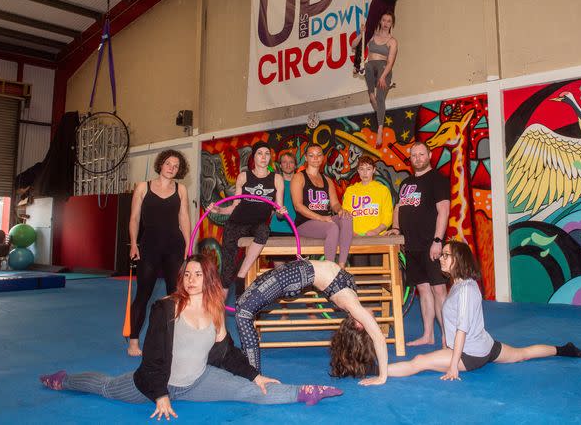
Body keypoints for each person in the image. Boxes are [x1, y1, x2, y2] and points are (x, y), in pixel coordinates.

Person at [39, 255, 343, 418]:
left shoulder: (214, 310)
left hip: (198, 381)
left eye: (198, 274)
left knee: (247, 390)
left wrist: (255, 377)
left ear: (208, 278)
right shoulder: (166, 308)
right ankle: (64, 379)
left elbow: (226, 353)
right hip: (154, 382)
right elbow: (154, 357)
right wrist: (159, 394)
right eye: (187, 274)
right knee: (106, 387)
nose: (192, 279)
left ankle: (304, 392)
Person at [385, 241, 581, 380]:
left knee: (419, 362)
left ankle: (375, 371)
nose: (441, 258)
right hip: (486, 345)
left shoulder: (464, 289)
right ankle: (564, 349)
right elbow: (455, 321)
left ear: (459, 259)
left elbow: (461, 329)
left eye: (446, 255)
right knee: (521, 354)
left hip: (469, 354)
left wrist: (454, 364)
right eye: (443, 254)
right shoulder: (460, 284)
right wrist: (446, 343)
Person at [236, 258, 388, 386]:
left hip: (292, 277)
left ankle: (253, 376)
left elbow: (379, 338)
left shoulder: (353, 306)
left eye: (372, 322)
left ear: (359, 325)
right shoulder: (353, 301)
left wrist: (382, 377)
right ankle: (249, 372)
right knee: (241, 306)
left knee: (243, 313)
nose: (373, 319)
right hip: (295, 272)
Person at [127, 150, 192, 357]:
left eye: (176, 166)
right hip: (150, 245)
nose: (171, 168)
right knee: (143, 295)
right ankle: (134, 342)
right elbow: (134, 218)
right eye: (168, 164)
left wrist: (189, 246)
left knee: (176, 295)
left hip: (175, 245)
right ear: (160, 165)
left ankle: (176, 340)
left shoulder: (181, 189)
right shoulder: (142, 187)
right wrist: (134, 244)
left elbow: (184, 219)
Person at [388, 141, 449, 347]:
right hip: (412, 246)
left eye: (421, 154)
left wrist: (438, 240)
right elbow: (398, 208)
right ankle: (428, 335)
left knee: (439, 290)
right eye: (414, 155)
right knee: (423, 289)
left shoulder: (437, 179)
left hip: (430, 244)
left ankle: (448, 337)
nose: (417, 158)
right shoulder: (406, 183)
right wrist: (396, 229)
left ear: (429, 155)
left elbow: (444, 211)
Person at [207, 141, 286, 299]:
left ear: (270, 157)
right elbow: (235, 206)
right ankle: (218, 314)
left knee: (264, 230)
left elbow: (278, 211)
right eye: (259, 153)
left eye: (267, 153)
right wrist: (220, 209)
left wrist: (281, 212)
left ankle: (241, 276)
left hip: (256, 225)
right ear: (254, 157)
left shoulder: (277, 179)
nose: (263, 157)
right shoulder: (244, 176)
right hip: (236, 223)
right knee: (227, 272)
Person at [291, 144, 353, 267]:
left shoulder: (327, 180)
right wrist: (321, 218)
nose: (316, 158)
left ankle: (341, 266)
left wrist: (340, 210)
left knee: (346, 217)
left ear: (323, 158)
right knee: (332, 228)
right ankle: (329, 269)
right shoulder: (299, 177)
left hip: (324, 221)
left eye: (319, 155)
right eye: (311, 155)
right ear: (306, 158)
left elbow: (335, 203)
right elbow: (298, 206)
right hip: (305, 223)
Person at [342, 155, 393, 267]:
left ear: (374, 170)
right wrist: (350, 231)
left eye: (368, 169)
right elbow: (345, 214)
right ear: (358, 171)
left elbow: (388, 215)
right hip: (357, 238)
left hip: (377, 238)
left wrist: (376, 230)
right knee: (360, 273)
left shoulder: (382, 190)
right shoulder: (351, 191)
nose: (365, 173)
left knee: (377, 272)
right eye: (362, 169)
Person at [362, 12, 398, 147]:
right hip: (371, 67)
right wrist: (362, 33)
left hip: (384, 69)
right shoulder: (372, 35)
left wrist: (383, 77)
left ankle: (380, 129)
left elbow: (390, 62)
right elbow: (355, 45)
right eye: (384, 20)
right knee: (368, 66)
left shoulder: (392, 41)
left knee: (380, 98)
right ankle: (372, 95)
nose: (386, 23)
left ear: (391, 24)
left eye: (389, 21)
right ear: (381, 22)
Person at [269, 152, 298, 236]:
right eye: (284, 162)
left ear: (295, 165)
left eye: (291, 162)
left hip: (298, 228)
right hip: (277, 228)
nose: (288, 165)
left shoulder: (302, 183)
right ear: (280, 165)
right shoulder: (274, 182)